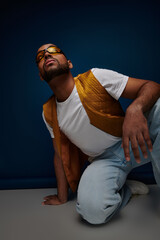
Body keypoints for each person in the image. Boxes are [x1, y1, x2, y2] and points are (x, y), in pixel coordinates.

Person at [36, 43, 160, 225]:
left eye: (53, 51)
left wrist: (136, 108)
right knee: (91, 212)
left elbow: (152, 86)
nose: (46, 55)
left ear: (69, 63)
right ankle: (124, 190)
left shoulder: (96, 77)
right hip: (104, 161)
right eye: (40, 57)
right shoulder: (48, 112)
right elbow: (59, 155)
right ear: (41, 75)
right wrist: (62, 197)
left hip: (135, 140)